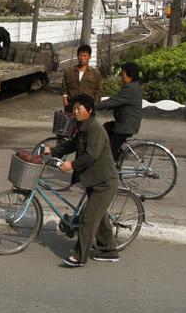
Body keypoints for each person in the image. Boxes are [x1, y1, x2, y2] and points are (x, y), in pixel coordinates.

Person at [48, 93, 121, 266]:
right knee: (99, 217)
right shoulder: (82, 127)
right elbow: (71, 145)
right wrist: (52, 151)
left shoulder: (95, 128)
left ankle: (79, 257)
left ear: (89, 110)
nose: (75, 111)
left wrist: (71, 165)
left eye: (79, 108)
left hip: (104, 182)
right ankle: (108, 251)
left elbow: (91, 155)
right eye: (74, 108)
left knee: (88, 218)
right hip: (93, 181)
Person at [95, 62, 142, 160]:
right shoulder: (134, 86)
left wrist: (92, 107)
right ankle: (118, 157)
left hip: (125, 125)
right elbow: (117, 101)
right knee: (103, 130)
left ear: (130, 75)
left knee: (109, 151)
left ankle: (110, 167)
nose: (122, 77)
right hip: (123, 122)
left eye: (123, 74)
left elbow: (113, 101)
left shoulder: (130, 88)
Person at [62, 44, 103, 110]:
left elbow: (99, 90)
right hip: (72, 106)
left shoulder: (95, 73)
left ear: (89, 57)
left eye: (85, 56)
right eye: (80, 55)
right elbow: (64, 91)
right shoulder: (69, 72)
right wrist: (66, 105)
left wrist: (94, 105)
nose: (82, 58)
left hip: (87, 107)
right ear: (77, 56)